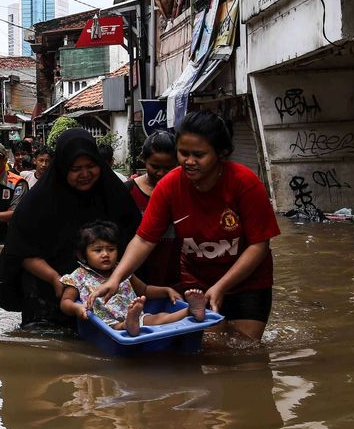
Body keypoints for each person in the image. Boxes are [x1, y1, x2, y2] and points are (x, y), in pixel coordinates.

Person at [93, 111, 280, 342]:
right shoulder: (170, 186)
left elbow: (258, 245)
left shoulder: (245, 183)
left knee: (245, 350)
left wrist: (221, 286)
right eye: (183, 153)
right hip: (197, 285)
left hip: (249, 282)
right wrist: (116, 278)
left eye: (199, 155)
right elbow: (144, 239)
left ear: (221, 153)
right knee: (211, 348)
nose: (189, 162)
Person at [0, 128, 141, 327]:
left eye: (91, 166)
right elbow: (19, 249)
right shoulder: (37, 202)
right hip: (46, 289)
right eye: (75, 169)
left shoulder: (114, 195)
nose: (84, 174)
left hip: (103, 293)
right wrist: (55, 278)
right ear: (63, 168)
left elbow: (137, 241)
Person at [59, 221, 201, 336]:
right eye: (98, 250)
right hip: (107, 323)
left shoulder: (121, 270)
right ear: (82, 255)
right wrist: (77, 308)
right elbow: (65, 302)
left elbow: (144, 289)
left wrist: (166, 290)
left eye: (111, 249)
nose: (105, 254)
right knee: (117, 326)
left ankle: (190, 311)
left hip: (136, 316)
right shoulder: (77, 276)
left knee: (159, 317)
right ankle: (127, 325)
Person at [126, 129, 181, 287]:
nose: (161, 173)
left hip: (176, 271)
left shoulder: (184, 191)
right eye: (155, 166)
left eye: (168, 168)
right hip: (139, 274)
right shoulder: (128, 192)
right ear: (143, 159)